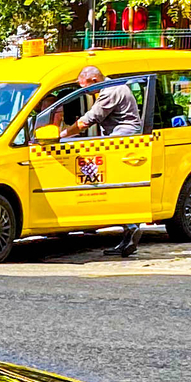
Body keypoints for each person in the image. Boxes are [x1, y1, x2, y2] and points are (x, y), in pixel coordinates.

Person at [69, 65, 149, 257]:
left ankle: (131, 225)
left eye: (86, 88)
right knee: (119, 186)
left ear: (94, 81)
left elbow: (89, 119)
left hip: (121, 139)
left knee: (114, 184)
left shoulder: (111, 91)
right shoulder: (114, 86)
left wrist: (63, 134)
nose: (87, 92)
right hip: (121, 137)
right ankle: (128, 233)